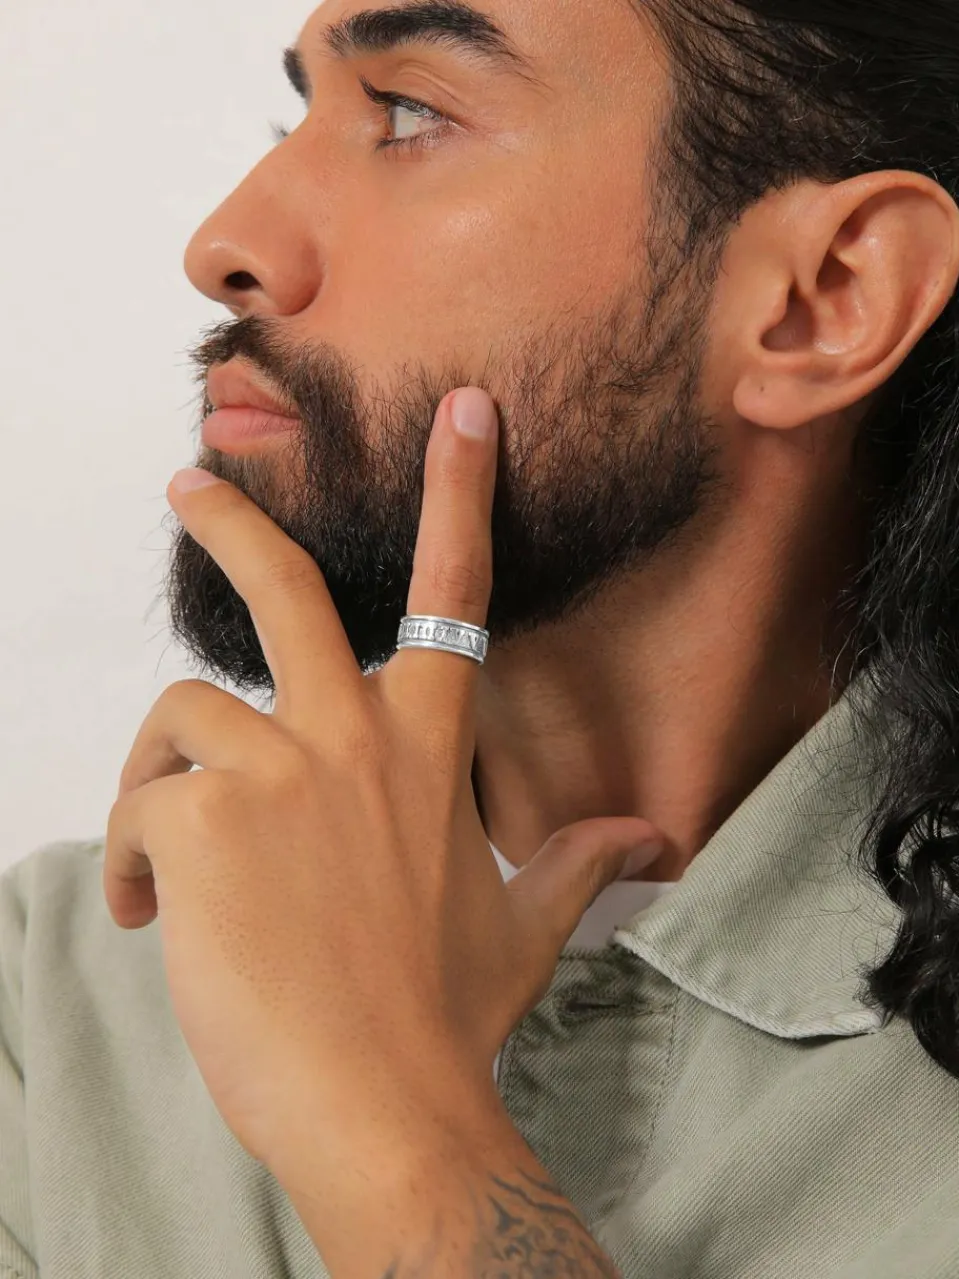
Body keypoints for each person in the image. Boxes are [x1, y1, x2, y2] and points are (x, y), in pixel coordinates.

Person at [4, 0, 959, 1274]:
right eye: (299, 114)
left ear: (825, 296)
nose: (225, 243)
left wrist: (386, 1121)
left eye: (409, 114)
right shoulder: (49, 1002)